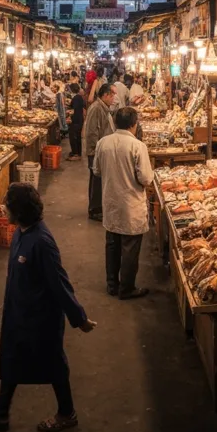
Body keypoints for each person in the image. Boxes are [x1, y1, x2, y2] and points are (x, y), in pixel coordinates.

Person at [0, 183, 96, 432]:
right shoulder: (20, 233)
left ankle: (67, 413)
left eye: (8, 205)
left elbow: (60, 284)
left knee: (53, 363)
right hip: (18, 313)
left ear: (20, 211)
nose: (3, 209)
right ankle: (1, 414)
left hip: (40, 318)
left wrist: (79, 318)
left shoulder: (41, 242)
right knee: (11, 360)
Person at [93, 107, 152, 299]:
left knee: (112, 244)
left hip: (111, 202)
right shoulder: (137, 146)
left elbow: (97, 171)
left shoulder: (103, 143)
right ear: (134, 125)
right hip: (131, 205)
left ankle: (112, 285)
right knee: (129, 247)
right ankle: (126, 288)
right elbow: (145, 179)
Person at [83, 84, 115, 220]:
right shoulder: (96, 108)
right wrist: (95, 152)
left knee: (99, 179)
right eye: (112, 95)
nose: (114, 98)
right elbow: (91, 132)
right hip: (96, 151)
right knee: (96, 180)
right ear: (105, 95)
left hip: (101, 150)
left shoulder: (104, 108)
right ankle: (95, 210)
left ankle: (97, 207)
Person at [67, 83, 85, 161]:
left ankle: (76, 154)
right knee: (76, 137)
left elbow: (76, 111)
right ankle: (76, 152)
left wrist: (71, 119)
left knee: (74, 137)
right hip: (78, 120)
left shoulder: (77, 98)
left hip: (76, 121)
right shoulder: (78, 97)